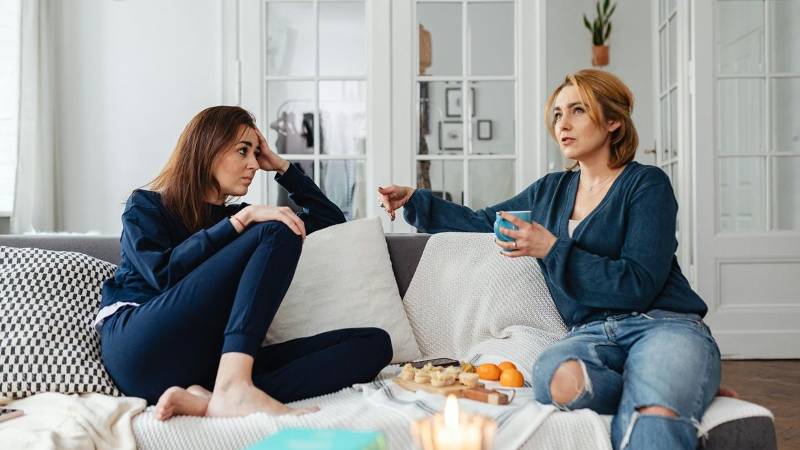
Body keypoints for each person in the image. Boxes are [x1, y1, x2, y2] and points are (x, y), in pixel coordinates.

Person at [377, 69, 720, 450]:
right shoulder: (550, 191)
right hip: (589, 335)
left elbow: (637, 285)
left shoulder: (646, 184)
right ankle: (680, 380)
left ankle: (673, 379)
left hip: (661, 325)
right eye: (557, 114)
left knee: (656, 412)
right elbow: (481, 222)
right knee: (553, 378)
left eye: (577, 111)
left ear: (613, 122)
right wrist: (416, 199)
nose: (563, 124)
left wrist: (551, 249)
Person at [98, 106, 392, 420]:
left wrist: (280, 166)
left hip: (207, 360)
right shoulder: (147, 205)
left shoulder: (244, 220)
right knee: (279, 227)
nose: (253, 164)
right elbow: (161, 275)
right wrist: (240, 221)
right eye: (242, 151)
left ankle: (213, 397)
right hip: (139, 344)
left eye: (256, 153)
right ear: (206, 150)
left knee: (374, 344)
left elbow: (330, 221)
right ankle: (234, 387)